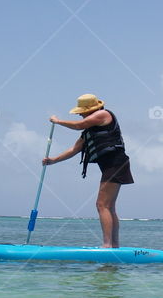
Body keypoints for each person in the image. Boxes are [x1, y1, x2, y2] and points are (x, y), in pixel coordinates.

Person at [42, 94, 134, 248]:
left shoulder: (103, 114)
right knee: (109, 206)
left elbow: (79, 125)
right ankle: (114, 245)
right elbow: (74, 149)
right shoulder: (89, 131)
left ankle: (107, 245)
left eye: (81, 111)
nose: (79, 114)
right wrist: (53, 160)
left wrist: (57, 122)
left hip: (116, 163)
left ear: (90, 109)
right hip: (111, 165)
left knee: (101, 204)